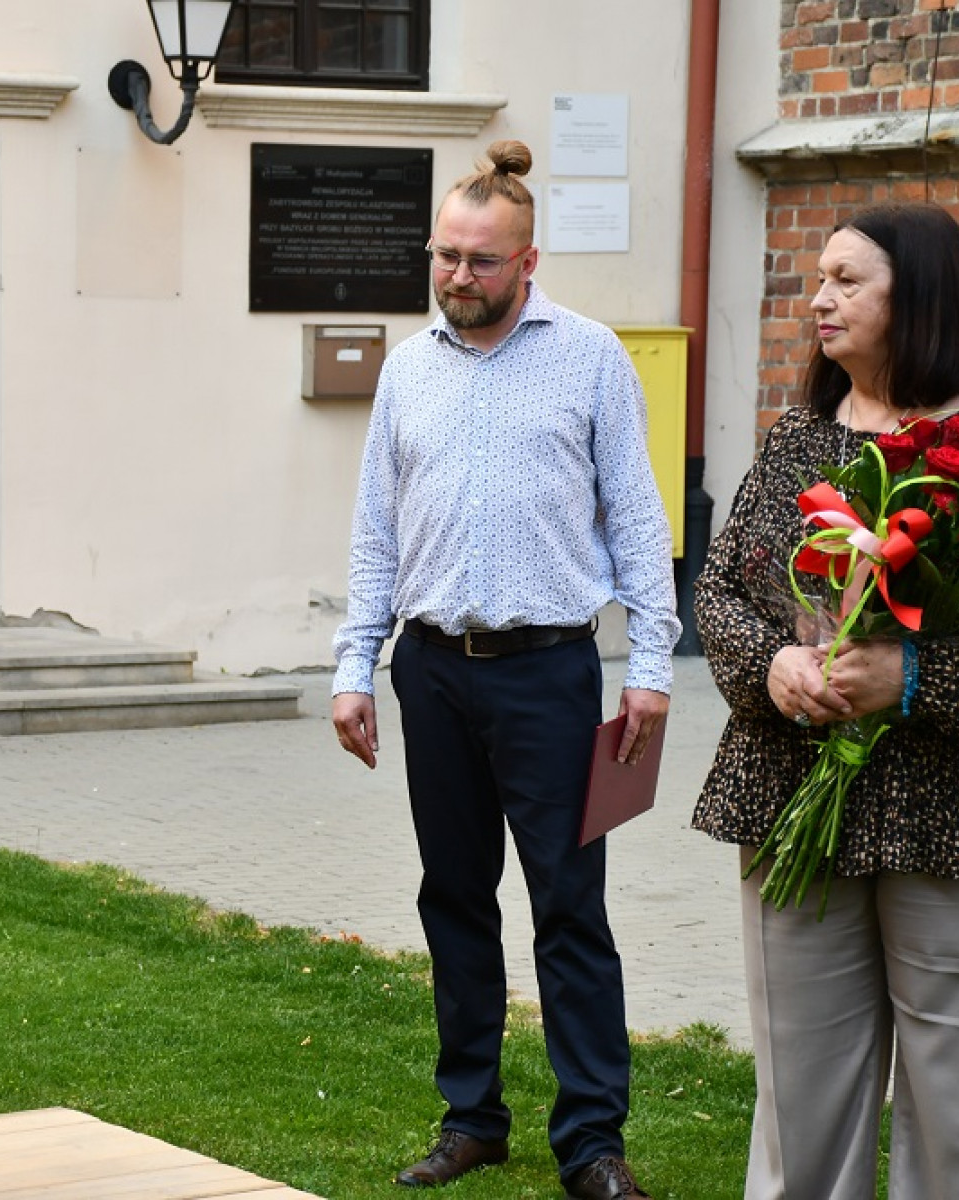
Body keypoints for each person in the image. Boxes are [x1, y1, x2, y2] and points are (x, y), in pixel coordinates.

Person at [693, 202, 959, 1198]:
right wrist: (772, 668)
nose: (817, 299)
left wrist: (909, 678)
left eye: (845, 280)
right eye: (817, 278)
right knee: (801, 1109)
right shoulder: (797, 438)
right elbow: (718, 590)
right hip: (802, 796)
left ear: (915, 295)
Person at [330, 140, 677, 1200]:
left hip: (549, 674)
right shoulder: (407, 367)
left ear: (527, 262)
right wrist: (354, 665)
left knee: (569, 907)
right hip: (432, 672)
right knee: (453, 896)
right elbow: (375, 530)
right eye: (444, 255)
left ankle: (591, 1141)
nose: (457, 276)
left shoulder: (590, 357)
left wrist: (651, 666)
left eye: (480, 261)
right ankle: (471, 1117)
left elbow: (637, 516)